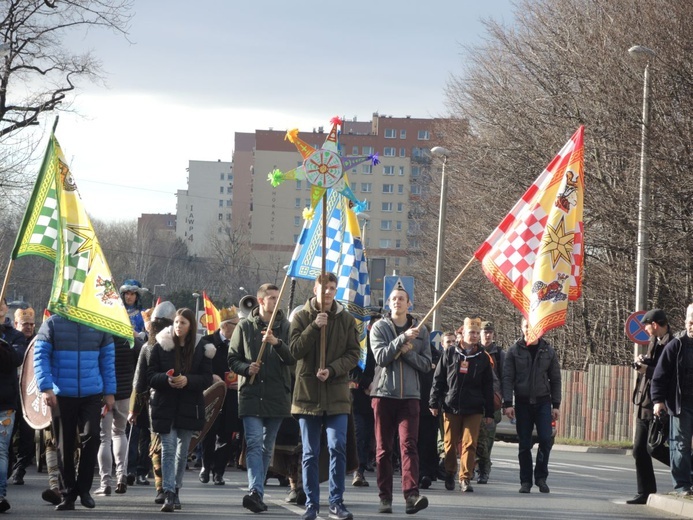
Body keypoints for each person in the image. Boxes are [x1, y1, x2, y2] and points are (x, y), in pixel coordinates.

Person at [290, 272, 360, 520]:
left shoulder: (347, 320)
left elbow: (354, 354)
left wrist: (332, 370)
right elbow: (294, 350)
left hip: (337, 395)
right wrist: (313, 326)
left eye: (332, 288)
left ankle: (336, 502)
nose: (328, 292)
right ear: (315, 289)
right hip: (307, 395)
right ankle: (311, 503)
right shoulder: (301, 317)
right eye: (324, 288)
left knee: (337, 446)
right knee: (309, 452)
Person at [34, 314, 117, 511]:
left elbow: (108, 360)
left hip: (92, 392)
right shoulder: (52, 323)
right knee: (64, 444)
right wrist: (46, 388)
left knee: (93, 436)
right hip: (61, 394)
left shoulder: (100, 323)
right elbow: (40, 356)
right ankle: (68, 493)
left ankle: (84, 489)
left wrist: (110, 391)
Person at [229, 283, 293, 513]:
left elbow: (293, 358)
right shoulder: (245, 326)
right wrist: (247, 368)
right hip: (251, 395)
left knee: (267, 447)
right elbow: (232, 358)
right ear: (260, 301)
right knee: (254, 443)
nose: (276, 302)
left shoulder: (286, 326)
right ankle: (255, 490)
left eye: (278, 298)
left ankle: (259, 492)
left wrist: (277, 343)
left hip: (277, 395)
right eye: (272, 298)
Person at [369, 287, 430, 514]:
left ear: (409, 304)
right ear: (388, 303)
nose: (397, 302)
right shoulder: (379, 327)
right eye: (394, 299)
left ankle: (411, 495)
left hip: (410, 397)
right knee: (384, 449)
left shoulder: (421, 330)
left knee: (408, 445)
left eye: (401, 299)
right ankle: (385, 497)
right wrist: (401, 340)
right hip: (384, 394)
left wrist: (408, 352)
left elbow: (426, 364)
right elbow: (382, 357)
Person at [147, 308, 214, 512]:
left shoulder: (202, 349)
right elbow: (150, 375)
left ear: (191, 326)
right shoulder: (161, 346)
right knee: (168, 449)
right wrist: (166, 380)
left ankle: (176, 489)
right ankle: (167, 493)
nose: (178, 326)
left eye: (183, 323)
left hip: (189, 406)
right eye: (176, 322)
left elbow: (207, 378)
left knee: (182, 452)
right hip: (165, 405)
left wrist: (188, 380)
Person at [429, 317, 494, 493]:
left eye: (476, 333)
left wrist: (489, 411)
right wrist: (434, 402)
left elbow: (488, 386)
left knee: (469, 443)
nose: (474, 336)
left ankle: (465, 477)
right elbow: (439, 379)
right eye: (471, 332)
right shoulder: (450, 353)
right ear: (462, 333)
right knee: (449, 445)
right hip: (451, 406)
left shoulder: (482, 358)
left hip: (474, 408)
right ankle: (450, 472)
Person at [502, 317, 561, 494]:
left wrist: (556, 405)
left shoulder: (548, 351)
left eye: (533, 327)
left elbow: (556, 379)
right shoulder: (513, 351)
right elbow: (507, 378)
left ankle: (541, 478)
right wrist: (507, 403)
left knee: (545, 438)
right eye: (526, 327)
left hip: (543, 401)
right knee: (524, 443)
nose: (530, 330)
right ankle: (526, 481)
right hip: (522, 402)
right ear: (521, 328)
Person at [129, 301, 176, 505]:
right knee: (165, 447)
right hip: (159, 402)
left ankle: (164, 488)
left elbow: (138, 384)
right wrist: (135, 409)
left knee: (162, 447)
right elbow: (139, 383)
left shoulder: (153, 347)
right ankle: (165, 488)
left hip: (163, 402)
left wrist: (134, 410)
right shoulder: (149, 348)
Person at [627, 308, 672, 504]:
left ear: (655, 324)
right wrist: (642, 362)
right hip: (645, 401)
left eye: (646, 325)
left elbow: (668, 376)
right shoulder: (654, 341)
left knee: (655, 448)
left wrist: (648, 369)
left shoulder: (673, 344)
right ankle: (645, 491)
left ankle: (687, 469)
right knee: (639, 449)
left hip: (660, 403)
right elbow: (654, 366)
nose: (645, 329)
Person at [651, 303, 693, 497]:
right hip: (681, 403)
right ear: (685, 321)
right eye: (690, 320)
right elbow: (660, 375)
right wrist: (658, 401)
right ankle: (682, 485)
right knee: (681, 444)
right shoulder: (676, 344)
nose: (692, 324)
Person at [199, 305, 241, 486]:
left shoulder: (240, 343)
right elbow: (198, 367)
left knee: (226, 433)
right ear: (225, 326)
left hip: (231, 394)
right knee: (208, 431)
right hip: (212, 394)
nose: (238, 328)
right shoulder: (207, 341)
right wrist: (211, 378)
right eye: (235, 325)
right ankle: (205, 466)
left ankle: (219, 471)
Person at [95, 333, 141, 496]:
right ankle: (121, 476)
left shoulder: (99, 336)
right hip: (125, 393)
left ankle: (105, 482)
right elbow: (143, 355)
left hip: (103, 394)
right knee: (120, 433)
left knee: (104, 438)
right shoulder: (130, 339)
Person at [475, 320, 504, 484]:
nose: (487, 334)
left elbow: (505, 378)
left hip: (492, 401)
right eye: (484, 332)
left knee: (488, 439)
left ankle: (484, 469)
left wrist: (506, 402)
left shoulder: (499, 354)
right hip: (475, 400)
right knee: (472, 437)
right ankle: (472, 467)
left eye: (490, 332)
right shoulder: (474, 351)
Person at [350, 314, 377, 488]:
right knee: (359, 433)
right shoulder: (360, 344)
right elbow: (352, 369)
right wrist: (367, 383)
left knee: (369, 436)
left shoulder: (382, 344)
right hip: (358, 396)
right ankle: (357, 470)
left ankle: (364, 465)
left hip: (377, 395)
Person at [7, 306, 32, 486]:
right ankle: (9, 463)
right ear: (16, 324)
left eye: (32, 324)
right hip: (12, 394)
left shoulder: (38, 340)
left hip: (30, 396)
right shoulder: (11, 341)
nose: (29, 327)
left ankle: (20, 470)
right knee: (8, 434)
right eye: (25, 324)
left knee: (27, 435)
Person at [0, 332, 25, 513]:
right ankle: (0, 495)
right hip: (6, 405)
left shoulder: (10, 343)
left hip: (6, 407)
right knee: (1, 451)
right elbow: (16, 359)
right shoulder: (7, 345)